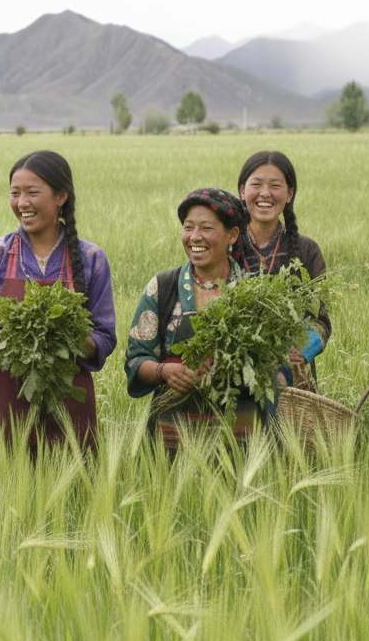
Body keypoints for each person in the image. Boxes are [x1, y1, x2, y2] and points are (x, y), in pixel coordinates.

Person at [0, 150, 116, 463]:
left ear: (60, 196)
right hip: (2, 396)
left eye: (32, 192)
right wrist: (17, 342)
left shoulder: (90, 259)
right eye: (15, 193)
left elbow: (104, 337)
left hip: (67, 397)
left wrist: (67, 337)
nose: (22, 203)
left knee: (69, 497)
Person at [124, 188, 262, 449]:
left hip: (240, 438)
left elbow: (272, 366)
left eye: (207, 228)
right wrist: (164, 371)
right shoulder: (162, 287)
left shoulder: (253, 293)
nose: (195, 237)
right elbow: (135, 359)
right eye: (188, 227)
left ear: (232, 234)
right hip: (171, 437)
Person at [237, 150, 331, 388]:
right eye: (256, 184)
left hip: (291, 378)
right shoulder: (226, 246)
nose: (265, 193)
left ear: (289, 194)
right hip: (234, 372)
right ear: (242, 191)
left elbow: (320, 322)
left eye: (275, 186)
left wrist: (299, 351)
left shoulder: (307, 250)